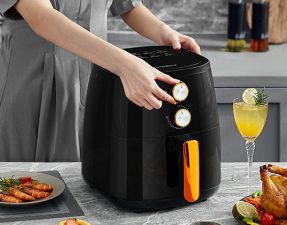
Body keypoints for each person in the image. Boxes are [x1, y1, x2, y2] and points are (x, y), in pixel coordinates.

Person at [0, 0, 201, 162]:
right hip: (32, 88)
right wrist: (124, 64)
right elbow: (42, 17)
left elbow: (128, 5)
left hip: (93, 82)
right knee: (29, 188)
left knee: (90, 183)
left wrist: (163, 32)